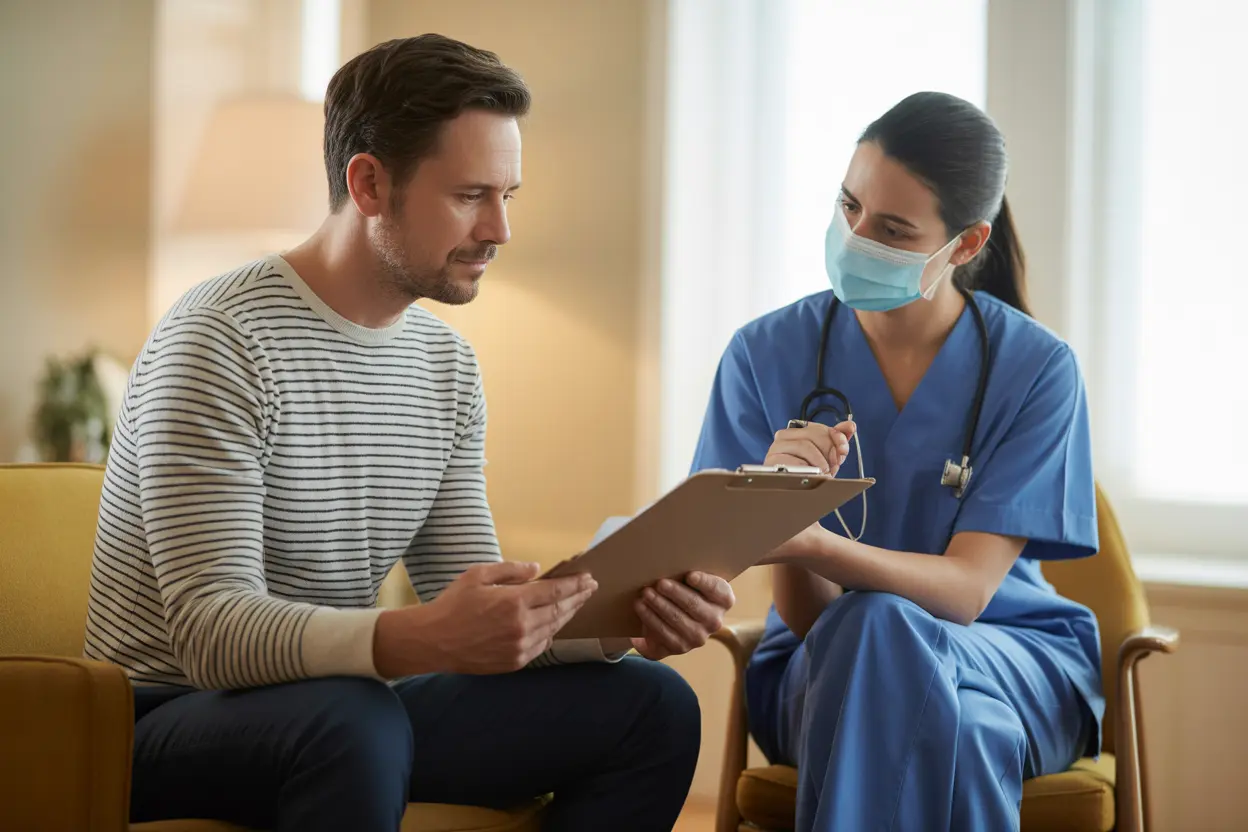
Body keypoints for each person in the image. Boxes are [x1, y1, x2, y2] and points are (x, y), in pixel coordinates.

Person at [83, 34, 733, 832]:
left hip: (349, 712)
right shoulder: (219, 341)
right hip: (161, 721)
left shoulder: (445, 368)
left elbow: (474, 595)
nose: (499, 229)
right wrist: (417, 638)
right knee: (354, 718)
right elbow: (214, 635)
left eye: (509, 195)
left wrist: (617, 623)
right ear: (368, 184)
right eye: (469, 195)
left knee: (652, 706)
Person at [690, 91, 1101, 831]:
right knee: (958, 726)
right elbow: (813, 618)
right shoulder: (763, 355)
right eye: (848, 206)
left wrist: (814, 538)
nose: (854, 237)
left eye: (891, 228)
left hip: (1010, 656)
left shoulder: (1038, 370)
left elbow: (970, 593)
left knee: (881, 624)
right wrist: (786, 504)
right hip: (821, 661)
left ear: (967, 246)